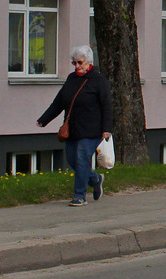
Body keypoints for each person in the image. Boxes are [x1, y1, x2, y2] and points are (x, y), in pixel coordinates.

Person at [37, 45, 113, 206]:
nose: (77, 66)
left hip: (92, 129)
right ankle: (96, 179)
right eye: (74, 63)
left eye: (80, 62)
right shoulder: (72, 79)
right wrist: (44, 120)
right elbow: (59, 102)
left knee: (81, 159)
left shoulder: (99, 80)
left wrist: (107, 129)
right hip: (73, 129)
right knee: (72, 161)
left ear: (88, 62)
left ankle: (79, 196)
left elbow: (107, 105)